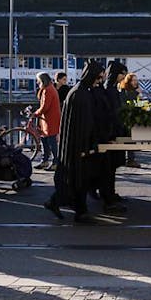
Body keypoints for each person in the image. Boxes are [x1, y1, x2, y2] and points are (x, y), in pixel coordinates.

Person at [44, 60, 105, 224]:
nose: (100, 81)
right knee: (78, 179)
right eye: (98, 77)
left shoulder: (80, 91)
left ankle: (67, 206)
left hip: (77, 144)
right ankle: (79, 211)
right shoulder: (81, 94)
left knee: (75, 178)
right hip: (79, 145)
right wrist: (87, 146)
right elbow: (84, 124)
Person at [96, 60, 129, 214]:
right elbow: (110, 114)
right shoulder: (110, 91)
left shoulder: (111, 89)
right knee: (108, 168)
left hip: (113, 133)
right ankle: (107, 196)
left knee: (111, 167)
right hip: (110, 134)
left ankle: (110, 194)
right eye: (123, 73)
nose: (124, 76)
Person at [33, 72, 61, 171]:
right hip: (48, 119)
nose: (37, 82)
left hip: (49, 119)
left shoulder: (47, 90)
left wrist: (35, 113)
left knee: (51, 140)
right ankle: (45, 160)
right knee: (45, 139)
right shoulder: (50, 88)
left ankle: (55, 162)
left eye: (38, 80)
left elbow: (45, 106)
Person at [118, 73, 144, 167]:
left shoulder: (135, 90)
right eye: (133, 80)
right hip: (126, 118)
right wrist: (137, 93)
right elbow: (127, 101)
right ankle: (130, 159)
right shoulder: (124, 90)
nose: (135, 82)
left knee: (131, 139)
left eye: (136, 80)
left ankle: (130, 158)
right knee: (129, 139)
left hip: (133, 118)